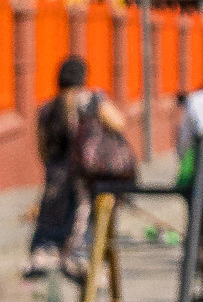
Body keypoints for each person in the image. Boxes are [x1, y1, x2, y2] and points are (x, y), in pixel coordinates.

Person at [25, 55, 129, 279]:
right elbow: (118, 122)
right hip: (88, 175)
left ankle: (48, 256)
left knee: (55, 226)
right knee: (88, 222)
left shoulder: (47, 108)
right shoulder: (92, 100)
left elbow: (43, 148)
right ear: (83, 77)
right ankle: (83, 263)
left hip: (57, 178)